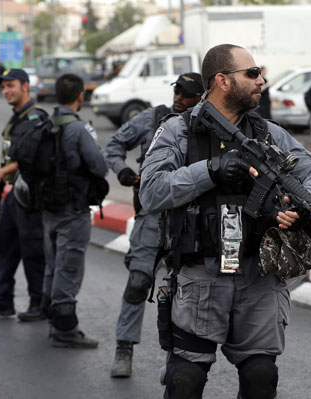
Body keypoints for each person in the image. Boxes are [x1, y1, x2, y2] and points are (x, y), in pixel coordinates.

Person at [139, 44, 311, 398]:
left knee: (261, 376)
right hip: (202, 274)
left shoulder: (268, 134)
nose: (262, 80)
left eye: (260, 73)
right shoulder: (178, 131)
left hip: (258, 275)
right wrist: (209, 171)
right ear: (222, 81)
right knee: (185, 378)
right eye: (252, 73)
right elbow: (151, 192)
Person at [105, 72, 204, 378]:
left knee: (184, 290)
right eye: (177, 90)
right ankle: (124, 347)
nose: (179, 97)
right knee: (138, 281)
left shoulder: (207, 124)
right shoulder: (154, 118)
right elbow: (114, 144)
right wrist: (122, 171)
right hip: (152, 214)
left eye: (186, 94)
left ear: (200, 98)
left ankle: (177, 358)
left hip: (190, 218)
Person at [39, 74, 108, 348]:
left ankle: (50, 314)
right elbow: (99, 167)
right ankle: (64, 329)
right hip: (74, 209)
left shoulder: (46, 123)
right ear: (80, 96)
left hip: (48, 207)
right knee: (69, 267)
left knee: (53, 264)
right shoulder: (79, 129)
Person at [0, 68, 48, 322]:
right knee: (2, 248)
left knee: (33, 252)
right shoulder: (17, 117)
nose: (6, 91)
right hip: (12, 194)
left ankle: (39, 303)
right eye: (3, 87)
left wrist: (1, 172)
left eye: (11, 86)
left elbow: (31, 157)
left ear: (25, 86)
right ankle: (1, 299)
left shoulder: (35, 118)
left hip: (29, 198)